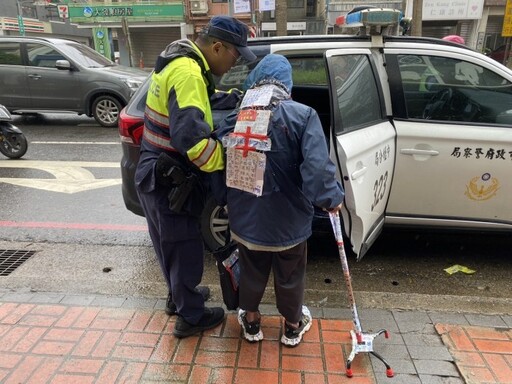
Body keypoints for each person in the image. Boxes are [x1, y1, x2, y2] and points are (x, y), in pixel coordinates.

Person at [134, 15, 256, 339]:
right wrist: (229, 160)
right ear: (217, 47)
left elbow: (194, 105)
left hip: (152, 168)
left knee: (166, 244)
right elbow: (192, 140)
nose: (234, 64)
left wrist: (232, 98)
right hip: (169, 176)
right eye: (235, 56)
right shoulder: (189, 73)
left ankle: (179, 297)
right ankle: (190, 316)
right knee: (183, 244)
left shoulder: (181, 60)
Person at [215, 54, 344, 347]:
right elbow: (317, 168)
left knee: (251, 269)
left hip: (246, 221)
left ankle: (251, 323)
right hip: (289, 223)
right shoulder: (303, 115)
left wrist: (225, 201)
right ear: (287, 82)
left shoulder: (235, 119)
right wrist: (331, 199)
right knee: (290, 273)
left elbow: (218, 169)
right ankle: (292, 327)